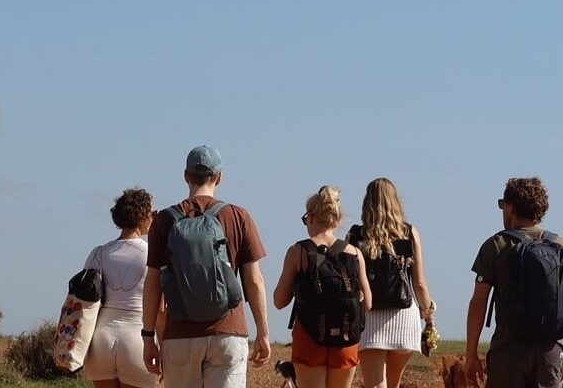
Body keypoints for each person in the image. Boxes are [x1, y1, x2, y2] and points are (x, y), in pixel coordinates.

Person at [142, 146, 273, 388]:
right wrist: (263, 332)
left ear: (186, 176)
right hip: (228, 332)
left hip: (180, 336)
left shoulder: (163, 221)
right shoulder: (238, 216)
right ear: (220, 177)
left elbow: (152, 284)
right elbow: (254, 280)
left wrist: (148, 336)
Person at [464, 177, 563, 388]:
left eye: (503, 204)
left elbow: (478, 303)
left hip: (508, 350)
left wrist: (471, 353)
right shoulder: (562, 247)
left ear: (510, 207)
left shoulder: (497, 245)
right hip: (551, 353)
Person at [274, 186, 371, 388]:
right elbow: (368, 303)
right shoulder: (354, 253)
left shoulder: (298, 252)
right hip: (346, 338)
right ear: (337, 219)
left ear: (310, 217)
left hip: (309, 337)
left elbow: (279, 301)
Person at [347, 178, 435, 388]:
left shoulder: (355, 235)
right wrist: (430, 318)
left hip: (369, 317)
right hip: (404, 317)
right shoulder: (409, 232)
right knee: (393, 384)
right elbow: (420, 283)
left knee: (375, 383)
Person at [84, 188, 164, 388]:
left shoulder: (98, 253)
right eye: (153, 213)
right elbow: (162, 310)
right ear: (143, 216)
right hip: (137, 341)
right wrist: (163, 348)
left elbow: (83, 299)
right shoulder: (155, 256)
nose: (155, 217)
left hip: (100, 342)